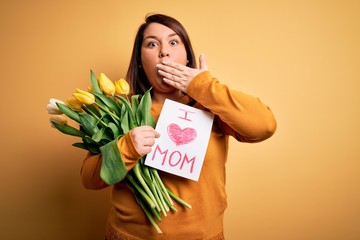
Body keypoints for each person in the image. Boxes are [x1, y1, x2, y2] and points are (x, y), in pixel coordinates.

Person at [81, 13, 277, 240]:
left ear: (186, 57)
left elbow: (265, 126)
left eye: (173, 42)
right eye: (152, 44)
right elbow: (88, 178)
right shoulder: (121, 111)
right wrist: (127, 147)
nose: (164, 51)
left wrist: (203, 86)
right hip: (129, 235)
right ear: (140, 62)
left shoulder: (212, 106)